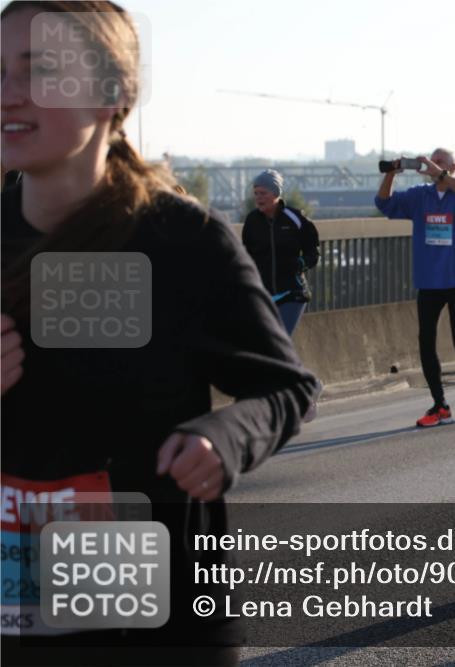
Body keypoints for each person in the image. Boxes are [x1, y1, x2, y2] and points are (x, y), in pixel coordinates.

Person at [0, 3, 319, 664]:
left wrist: (224, 438)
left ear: (113, 95)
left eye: (40, 71)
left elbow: (284, 387)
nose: (9, 92)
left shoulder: (181, 239)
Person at [374, 149, 455, 427]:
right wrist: (390, 175)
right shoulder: (421, 196)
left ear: (453, 167)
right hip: (430, 279)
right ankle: (439, 405)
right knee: (426, 340)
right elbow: (384, 204)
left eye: (440, 161)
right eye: (431, 160)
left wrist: (440, 174)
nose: (432, 165)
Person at [241, 169, 319, 335]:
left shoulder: (295, 218)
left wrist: (299, 264)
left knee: (281, 339)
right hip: (263, 295)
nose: (258, 198)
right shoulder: (252, 221)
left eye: (263, 193)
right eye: (256, 193)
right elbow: (245, 256)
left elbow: (313, 252)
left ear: (276, 193)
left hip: (292, 293)